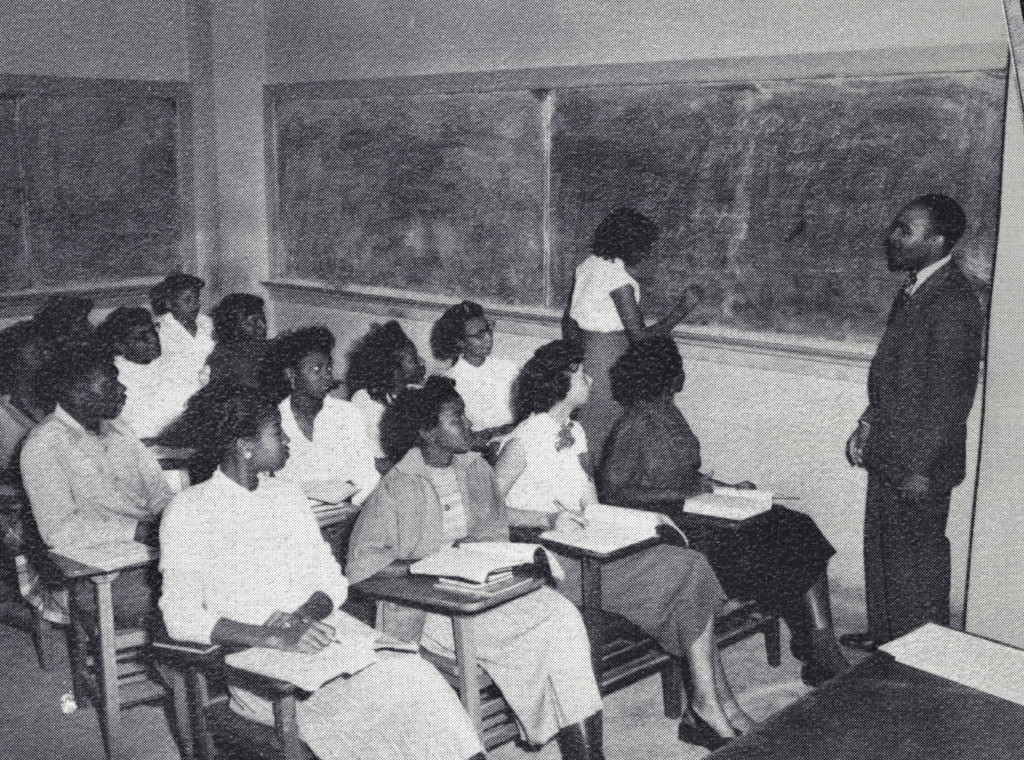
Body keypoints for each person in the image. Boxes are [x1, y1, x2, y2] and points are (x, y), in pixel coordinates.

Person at [159, 389, 483, 760]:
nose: (286, 440)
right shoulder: (187, 512)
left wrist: (303, 617)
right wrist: (275, 636)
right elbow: (179, 617)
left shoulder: (287, 496)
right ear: (244, 446)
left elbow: (332, 580)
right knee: (386, 712)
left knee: (419, 679)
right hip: (264, 674)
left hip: (323, 642)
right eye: (277, 432)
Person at [496, 340, 755, 748]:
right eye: (581, 372)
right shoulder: (522, 442)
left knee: (692, 564)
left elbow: (593, 505)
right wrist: (546, 518)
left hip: (597, 548)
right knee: (685, 571)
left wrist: (645, 518)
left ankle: (714, 703)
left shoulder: (575, 432)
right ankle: (709, 706)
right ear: (559, 382)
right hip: (561, 564)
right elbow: (488, 512)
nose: (591, 377)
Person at [346, 377, 604, 759]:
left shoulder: (475, 469)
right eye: (455, 418)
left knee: (562, 615)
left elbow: (493, 534)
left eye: (464, 414)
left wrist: (498, 560)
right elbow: (361, 568)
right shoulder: (397, 486)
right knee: (539, 636)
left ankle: (588, 755)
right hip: (429, 611)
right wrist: (426, 566)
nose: (468, 424)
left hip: (480, 592)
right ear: (427, 432)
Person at [598, 336, 850, 685]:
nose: (684, 374)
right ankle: (814, 643)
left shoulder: (669, 410)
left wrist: (729, 489)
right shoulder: (634, 423)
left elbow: (686, 473)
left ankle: (821, 641)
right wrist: (682, 491)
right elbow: (612, 492)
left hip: (699, 507)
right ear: (667, 376)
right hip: (670, 525)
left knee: (794, 525)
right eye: (679, 367)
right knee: (761, 544)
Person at [842, 194, 984, 651]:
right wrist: (867, 423)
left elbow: (952, 395)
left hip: (920, 458)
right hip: (891, 447)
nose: (893, 236)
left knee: (917, 559)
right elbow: (895, 374)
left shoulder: (953, 300)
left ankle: (921, 651)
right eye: (896, 227)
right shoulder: (916, 288)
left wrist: (922, 466)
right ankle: (887, 637)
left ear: (939, 240)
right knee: (884, 550)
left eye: (906, 230)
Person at [21, 340, 173, 626]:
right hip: (95, 576)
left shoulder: (120, 429)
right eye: (109, 385)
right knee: (199, 598)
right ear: (73, 392)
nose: (122, 390)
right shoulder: (43, 446)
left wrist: (172, 520)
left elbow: (158, 491)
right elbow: (60, 531)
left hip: (151, 553)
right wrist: (138, 530)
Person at [563, 208, 702, 465]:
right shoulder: (619, 280)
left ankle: (584, 488)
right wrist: (682, 309)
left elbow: (569, 321)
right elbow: (639, 338)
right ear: (632, 245)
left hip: (585, 357)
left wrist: (574, 357)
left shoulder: (587, 265)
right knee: (606, 432)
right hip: (611, 362)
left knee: (585, 426)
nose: (648, 253)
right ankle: (601, 494)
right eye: (646, 246)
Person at [267, 326, 380, 505]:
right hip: (296, 515)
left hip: (346, 511)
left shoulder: (347, 413)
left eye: (328, 369)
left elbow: (368, 474)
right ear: (291, 374)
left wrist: (348, 497)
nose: (326, 376)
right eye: (316, 369)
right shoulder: (273, 419)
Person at [431, 301, 519, 445]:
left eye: (488, 330)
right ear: (460, 342)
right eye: (479, 335)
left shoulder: (508, 368)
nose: (488, 338)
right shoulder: (449, 381)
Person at [345, 321, 426, 472]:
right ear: (393, 368)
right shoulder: (365, 400)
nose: (421, 362)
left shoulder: (416, 392)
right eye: (413, 360)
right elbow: (374, 462)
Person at [96, 307, 181, 441]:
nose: (153, 339)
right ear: (120, 346)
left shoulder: (172, 361)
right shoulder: (115, 377)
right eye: (142, 336)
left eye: (153, 330)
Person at [149, 272, 214, 395]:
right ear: (169, 303)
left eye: (197, 298)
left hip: (210, 392)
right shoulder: (157, 330)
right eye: (187, 300)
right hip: (175, 394)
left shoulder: (208, 324)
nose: (195, 304)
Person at [204, 293, 269, 389]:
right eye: (254, 320)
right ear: (232, 324)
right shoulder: (223, 359)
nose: (262, 326)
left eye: (263, 319)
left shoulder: (260, 348)